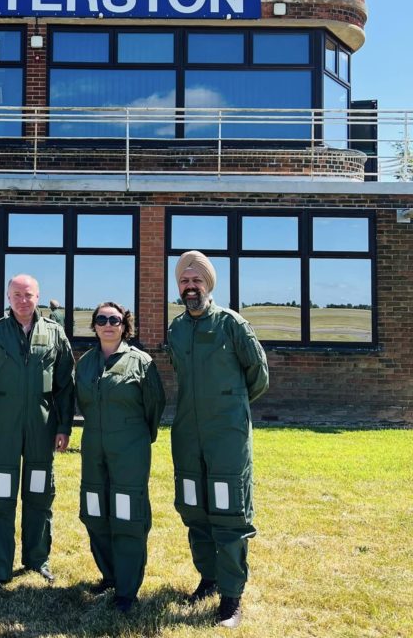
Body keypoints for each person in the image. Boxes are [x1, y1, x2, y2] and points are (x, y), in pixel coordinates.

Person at [167, 251, 269, 629]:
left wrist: (231, 411)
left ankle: (231, 597)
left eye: (196, 281)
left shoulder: (232, 325)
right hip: (188, 435)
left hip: (226, 436)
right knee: (194, 507)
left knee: (229, 512)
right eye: (184, 281)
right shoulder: (177, 329)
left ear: (208, 285)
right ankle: (208, 578)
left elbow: (258, 376)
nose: (190, 287)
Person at [0, 274, 75, 586]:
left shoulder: (55, 334)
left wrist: (64, 426)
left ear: (37, 296)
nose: (23, 301)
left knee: (39, 493)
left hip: (42, 428)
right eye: (17, 295)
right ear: (8, 297)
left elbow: (66, 385)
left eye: (28, 295)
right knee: (0, 495)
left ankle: (36, 560)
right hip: (4, 428)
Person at [75, 302, 165, 613]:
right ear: (95, 325)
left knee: (127, 514)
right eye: (102, 319)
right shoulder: (85, 364)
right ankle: (110, 575)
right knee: (95, 510)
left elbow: (154, 406)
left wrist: (136, 437)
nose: (108, 324)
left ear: (124, 325)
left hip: (130, 447)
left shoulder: (141, 362)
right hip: (93, 446)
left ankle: (127, 590)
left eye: (115, 319)